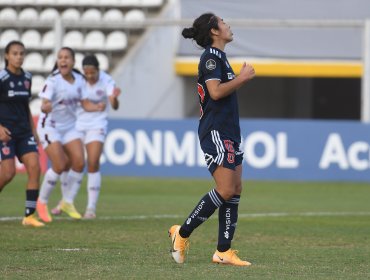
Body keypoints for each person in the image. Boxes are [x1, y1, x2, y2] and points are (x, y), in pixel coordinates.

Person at [168, 13, 255, 266]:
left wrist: (236, 78)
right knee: (226, 189)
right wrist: (241, 78)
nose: (228, 25)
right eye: (224, 22)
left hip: (229, 131)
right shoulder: (209, 59)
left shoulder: (220, 58)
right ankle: (181, 234)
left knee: (235, 190)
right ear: (215, 31)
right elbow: (215, 93)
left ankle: (223, 251)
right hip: (216, 131)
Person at [36, 47, 106, 223]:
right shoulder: (53, 81)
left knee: (79, 162)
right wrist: (46, 106)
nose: (63, 60)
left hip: (68, 127)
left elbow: (85, 103)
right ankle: (42, 202)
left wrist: (97, 107)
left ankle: (67, 201)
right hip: (50, 126)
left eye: (66, 57)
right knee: (60, 164)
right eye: (60, 57)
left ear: (73, 62)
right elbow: (44, 104)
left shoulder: (79, 81)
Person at [51, 54, 120, 219]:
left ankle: (90, 208)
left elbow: (115, 106)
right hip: (75, 124)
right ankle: (65, 201)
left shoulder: (107, 80)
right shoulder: (78, 80)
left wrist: (114, 99)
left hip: (97, 124)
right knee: (69, 163)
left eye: (92, 73)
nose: (89, 76)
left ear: (98, 70)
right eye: (86, 73)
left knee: (93, 162)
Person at [0, 40, 44, 227]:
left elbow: (25, 104)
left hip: (25, 132)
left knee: (35, 168)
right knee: (8, 174)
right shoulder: (2, 78)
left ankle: (29, 216)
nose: (19, 57)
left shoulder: (27, 77)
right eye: (15, 53)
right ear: (7, 56)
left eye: (22, 53)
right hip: (7, 133)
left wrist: (34, 131)